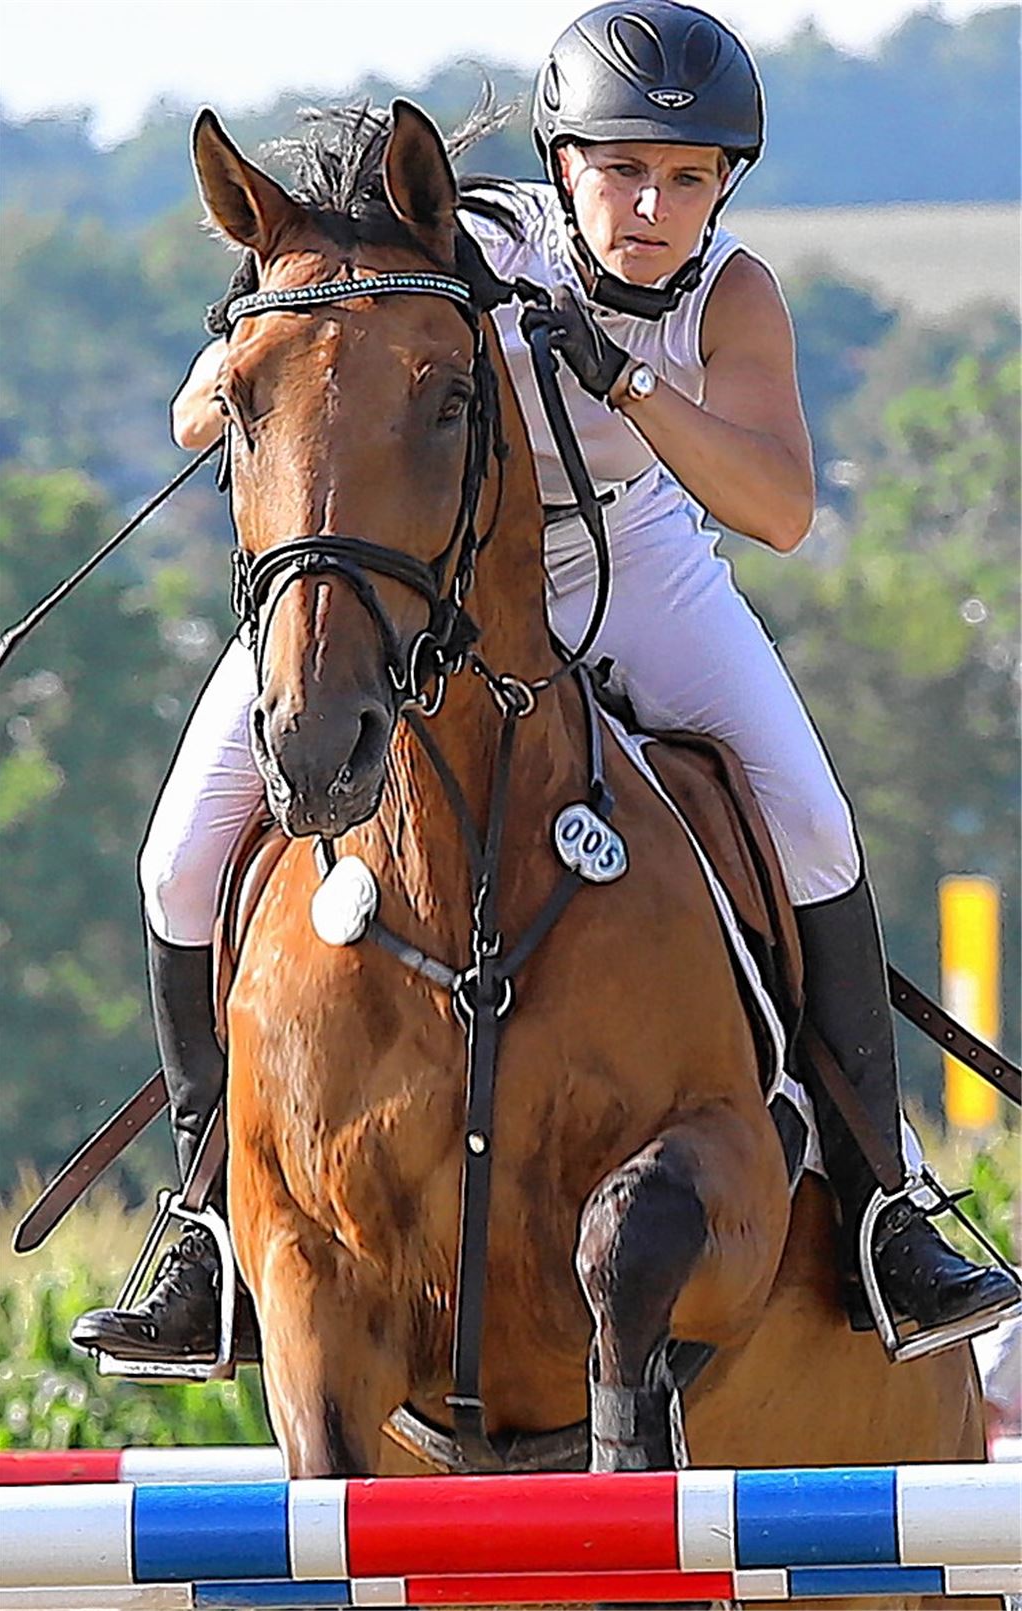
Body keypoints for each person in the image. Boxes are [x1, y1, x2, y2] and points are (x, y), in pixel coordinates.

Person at [72, 0, 1019, 1365]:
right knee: (177, 860)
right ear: (563, 164)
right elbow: (200, 409)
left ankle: (890, 1207)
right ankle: (205, 1228)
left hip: (636, 561)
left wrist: (627, 382)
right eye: (623, 170)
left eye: (688, 177)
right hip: (426, 575)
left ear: (725, 185)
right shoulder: (475, 245)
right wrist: (279, 352)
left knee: (815, 826)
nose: (653, 207)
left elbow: (781, 509)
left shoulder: (731, 295)